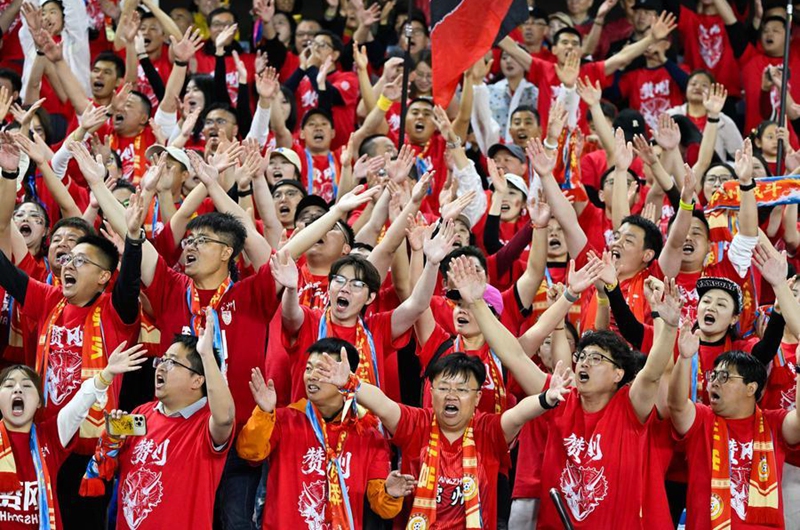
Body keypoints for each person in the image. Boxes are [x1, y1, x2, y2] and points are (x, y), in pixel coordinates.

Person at [316, 347, 573, 530]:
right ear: (431, 391)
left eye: (462, 389)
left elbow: (516, 415)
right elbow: (383, 405)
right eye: (443, 388)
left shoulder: (488, 430)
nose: (451, 395)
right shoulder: (416, 424)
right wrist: (352, 384)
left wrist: (546, 399)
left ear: (476, 398)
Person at [236, 338, 416, 529]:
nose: (312, 376)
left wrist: (390, 492)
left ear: (346, 377)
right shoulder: (284, 420)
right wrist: (263, 412)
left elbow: (383, 508)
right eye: (308, 368)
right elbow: (249, 453)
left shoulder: (368, 435)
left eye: (322, 371)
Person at [90, 309, 236, 530]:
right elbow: (107, 468)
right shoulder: (140, 415)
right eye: (161, 360)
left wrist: (206, 354)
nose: (160, 366)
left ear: (197, 381)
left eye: (172, 362)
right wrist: (111, 439)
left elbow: (225, 418)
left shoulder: (204, 425)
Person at [0, 342, 145, 529]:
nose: (18, 389)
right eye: (9, 385)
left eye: (27, 386)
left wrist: (107, 373)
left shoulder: (49, 436)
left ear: (39, 402)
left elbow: (80, 404)